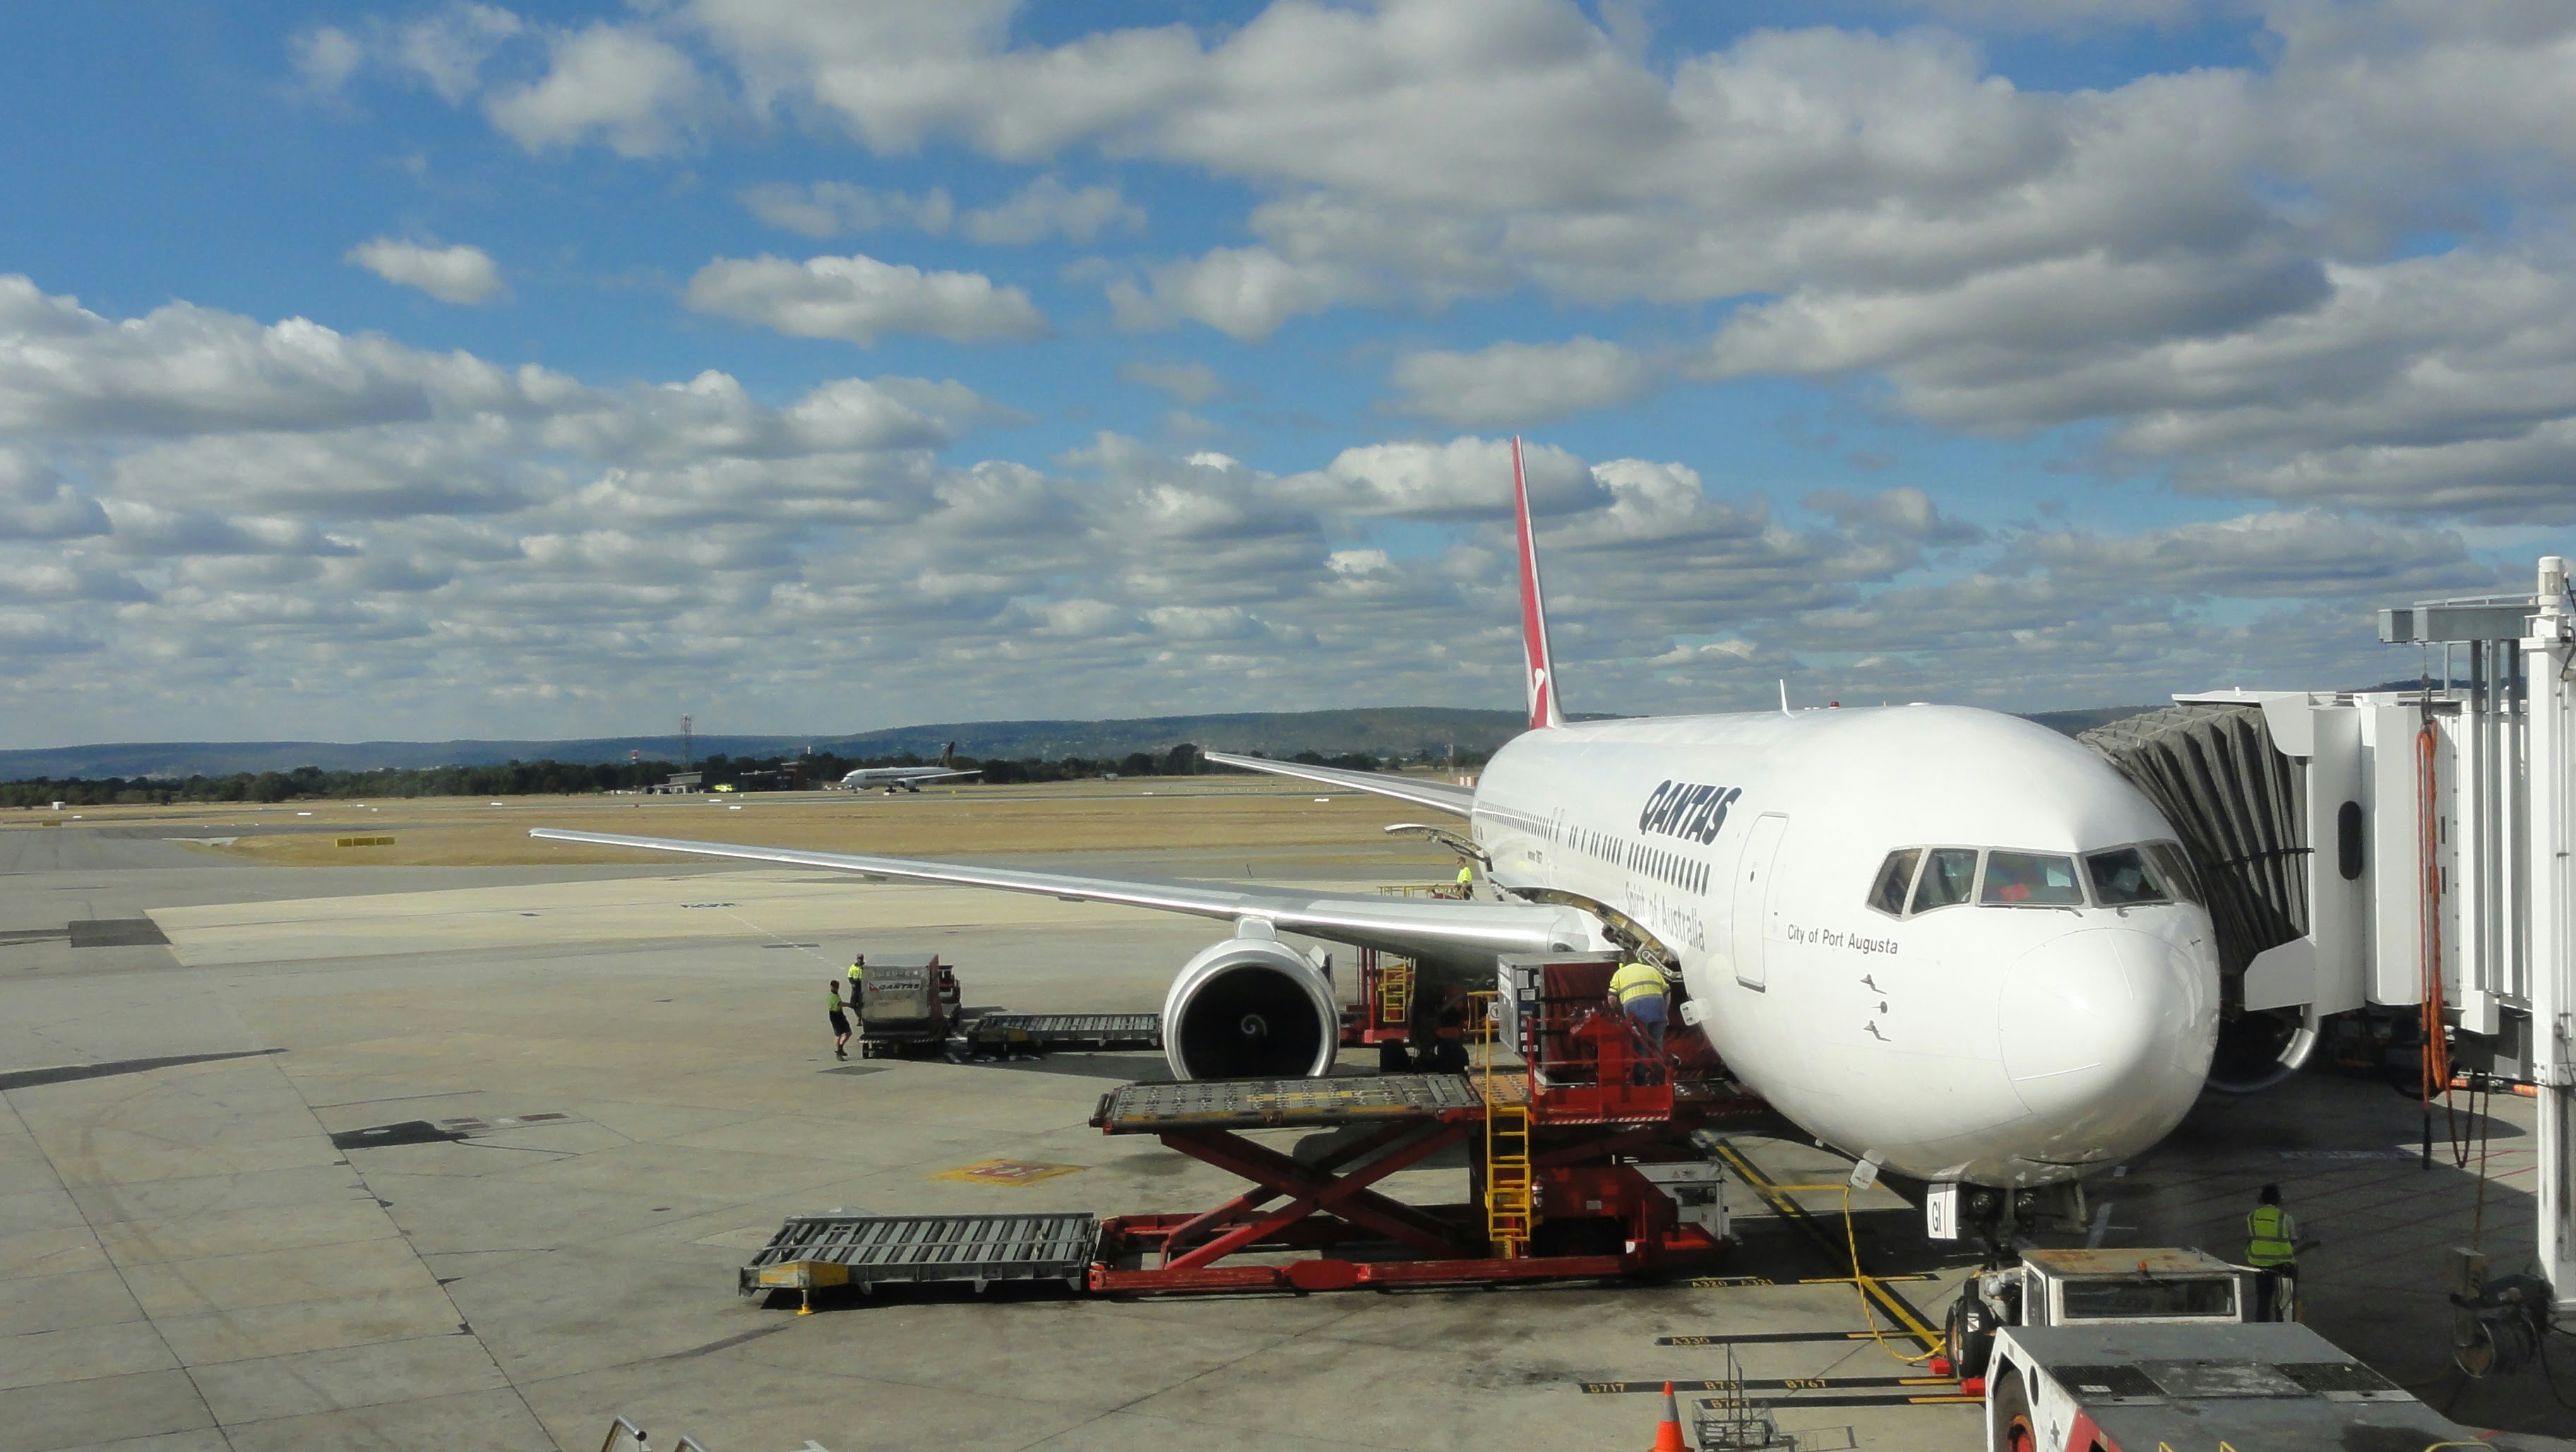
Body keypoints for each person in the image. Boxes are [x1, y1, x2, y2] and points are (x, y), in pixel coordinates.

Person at [2246, 1183, 2305, 1320]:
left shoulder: (2252, 1216)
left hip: (2259, 1262)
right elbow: (2293, 1239)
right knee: (2285, 1299)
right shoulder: (2285, 1217)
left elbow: (2251, 1237)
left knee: (2263, 1299)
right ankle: (2283, 1323)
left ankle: (2262, 1325)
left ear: (2261, 1199)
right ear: (2279, 1199)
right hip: (2283, 1264)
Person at [1608, 958, 1669, 1082]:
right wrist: (1665, 1010)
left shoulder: (1619, 974)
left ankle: (1640, 1082)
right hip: (1659, 1010)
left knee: (1640, 1048)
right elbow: (1667, 992)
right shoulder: (1653, 970)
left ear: (1623, 965)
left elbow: (1612, 999)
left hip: (1637, 1013)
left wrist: (1619, 1014)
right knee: (1657, 1045)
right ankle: (1659, 1080)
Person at [826, 980, 853, 1061]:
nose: (837, 989)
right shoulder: (832, 996)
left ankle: (841, 1047)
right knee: (838, 1035)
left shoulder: (836, 994)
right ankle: (837, 1051)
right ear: (831, 987)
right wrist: (850, 1005)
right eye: (835, 987)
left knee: (848, 1033)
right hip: (835, 1016)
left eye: (838, 987)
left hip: (840, 1014)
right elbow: (840, 1004)